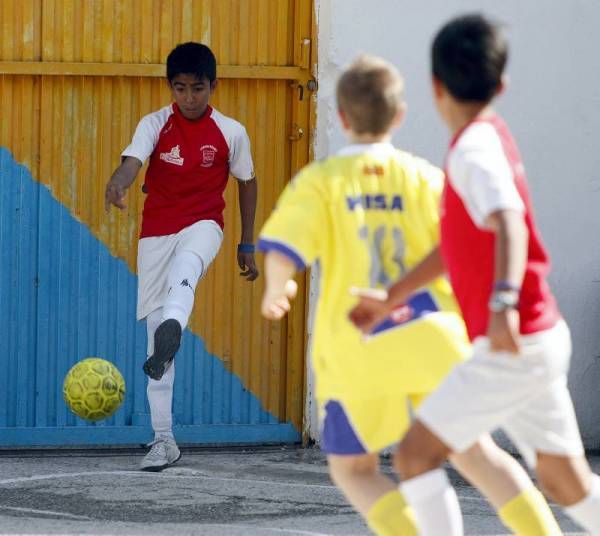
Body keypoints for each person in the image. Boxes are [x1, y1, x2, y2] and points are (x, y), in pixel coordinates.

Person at [260, 55, 561, 535]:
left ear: (341, 117)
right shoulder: (426, 178)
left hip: (358, 344)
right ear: (399, 116)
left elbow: (284, 247)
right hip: (434, 336)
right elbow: (468, 244)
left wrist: (279, 287)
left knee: (355, 470)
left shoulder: (321, 182)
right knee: (478, 454)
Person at [350, 14, 600, 535]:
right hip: (538, 338)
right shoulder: (492, 136)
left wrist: (502, 304)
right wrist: (389, 296)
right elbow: (456, 248)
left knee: (416, 454)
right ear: (501, 86)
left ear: (434, 85)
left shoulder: (472, 149)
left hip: (511, 341)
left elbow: (508, 220)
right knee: (565, 481)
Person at [105, 42, 259, 471]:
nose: (189, 98)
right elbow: (132, 162)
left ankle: (176, 320)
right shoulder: (154, 124)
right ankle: (164, 440)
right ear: (169, 87)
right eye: (181, 89)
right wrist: (117, 183)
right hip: (155, 234)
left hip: (205, 224)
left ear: (214, 86)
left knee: (188, 268)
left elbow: (247, 181)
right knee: (157, 347)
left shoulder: (231, 132)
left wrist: (247, 241)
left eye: (198, 88)